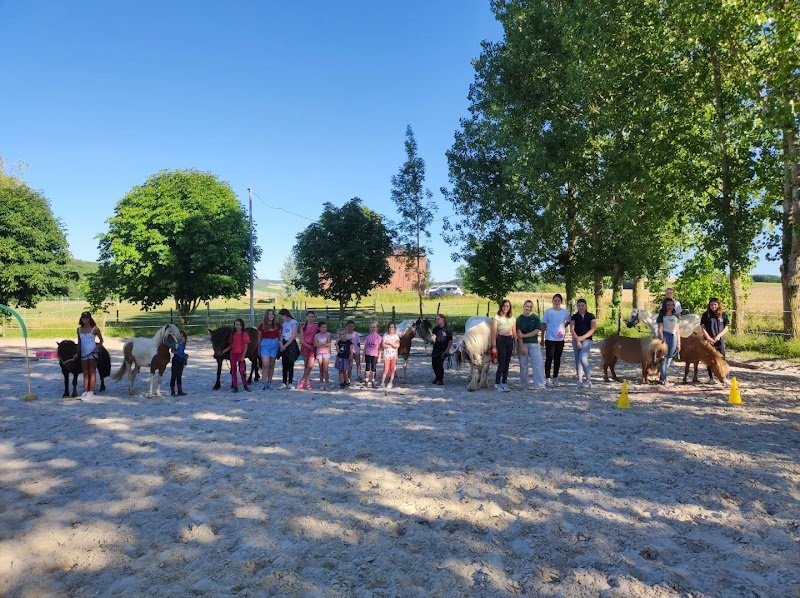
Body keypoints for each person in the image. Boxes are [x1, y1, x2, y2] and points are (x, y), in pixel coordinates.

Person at [540, 294, 570, 387]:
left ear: (561, 302)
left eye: (558, 300)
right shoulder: (548, 312)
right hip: (550, 338)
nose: (557, 302)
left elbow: (568, 321)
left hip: (560, 339)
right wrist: (542, 338)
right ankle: (547, 378)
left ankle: (555, 377)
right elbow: (544, 325)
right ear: (552, 301)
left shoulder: (565, 312)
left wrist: (562, 328)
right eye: (555, 300)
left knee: (557, 358)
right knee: (549, 358)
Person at [516, 300, 545, 390]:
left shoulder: (535, 318)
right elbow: (518, 333)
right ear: (524, 306)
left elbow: (536, 331)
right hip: (522, 344)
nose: (528, 308)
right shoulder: (519, 319)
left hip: (533, 343)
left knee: (538, 364)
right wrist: (521, 347)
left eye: (530, 306)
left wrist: (524, 335)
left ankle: (539, 385)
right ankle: (524, 385)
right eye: (527, 306)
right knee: (523, 365)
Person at [700, 298, 730, 383]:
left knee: (722, 358)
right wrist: (708, 337)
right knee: (710, 359)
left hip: (719, 340)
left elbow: (726, 327)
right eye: (711, 305)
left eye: (715, 304)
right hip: (709, 340)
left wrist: (719, 336)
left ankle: (725, 377)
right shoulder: (706, 315)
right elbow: (702, 327)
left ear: (718, 305)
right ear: (709, 305)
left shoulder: (723, 315)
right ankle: (711, 378)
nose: (713, 306)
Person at [570, 299, 597, 388]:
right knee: (577, 358)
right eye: (579, 306)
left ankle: (588, 380)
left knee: (583, 357)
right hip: (576, 339)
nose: (581, 307)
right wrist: (577, 340)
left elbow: (593, 329)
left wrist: (582, 338)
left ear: (585, 306)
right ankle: (580, 380)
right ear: (577, 307)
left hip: (587, 340)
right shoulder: (574, 316)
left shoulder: (591, 316)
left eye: (582, 305)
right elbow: (572, 329)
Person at [76, 311, 104, 398]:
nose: (85, 319)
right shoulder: (79, 329)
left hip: (92, 353)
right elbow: (79, 342)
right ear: (81, 318)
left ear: (90, 319)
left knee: (92, 372)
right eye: (83, 318)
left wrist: (97, 347)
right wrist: (76, 353)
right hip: (84, 353)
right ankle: (85, 390)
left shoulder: (95, 329)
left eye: (87, 318)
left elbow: (101, 340)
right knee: (85, 373)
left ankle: (91, 391)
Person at [491, 299, 516, 392]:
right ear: (501, 306)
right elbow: (493, 333)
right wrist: (494, 346)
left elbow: (514, 332)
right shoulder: (497, 317)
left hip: (509, 340)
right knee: (501, 363)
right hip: (501, 340)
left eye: (508, 306)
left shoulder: (512, 318)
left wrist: (515, 346)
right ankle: (497, 384)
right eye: (504, 306)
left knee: (507, 363)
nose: (506, 308)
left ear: (510, 308)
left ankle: (504, 383)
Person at [657, 298, 681, 385]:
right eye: (668, 305)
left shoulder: (675, 317)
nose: (670, 306)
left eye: (672, 305)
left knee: (669, 357)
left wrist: (679, 342)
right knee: (663, 358)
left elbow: (678, 330)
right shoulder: (661, 316)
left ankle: (662, 377)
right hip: (665, 335)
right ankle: (664, 379)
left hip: (674, 336)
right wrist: (661, 339)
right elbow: (660, 329)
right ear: (665, 305)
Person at [223, 318, 251, 392]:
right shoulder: (233, 334)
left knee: (242, 371)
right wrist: (223, 351)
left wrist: (243, 356)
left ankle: (245, 385)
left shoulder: (244, 334)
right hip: (233, 354)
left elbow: (246, 346)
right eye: (236, 324)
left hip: (240, 355)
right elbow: (231, 345)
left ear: (242, 326)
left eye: (239, 325)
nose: (238, 326)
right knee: (233, 371)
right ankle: (235, 386)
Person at [257, 309, 280, 390]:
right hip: (265, 345)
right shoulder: (262, 325)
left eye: (272, 314)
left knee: (271, 365)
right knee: (265, 364)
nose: (271, 316)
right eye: (269, 314)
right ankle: (263, 382)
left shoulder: (277, 325)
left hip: (274, 344)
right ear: (266, 315)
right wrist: (258, 348)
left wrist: (280, 346)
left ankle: (269, 382)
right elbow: (259, 338)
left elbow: (279, 336)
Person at [296, 311, 319, 391]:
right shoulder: (303, 327)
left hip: (314, 347)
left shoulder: (316, 326)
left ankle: (302, 380)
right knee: (306, 365)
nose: (311, 318)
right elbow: (301, 340)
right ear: (306, 317)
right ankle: (307, 381)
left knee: (310, 365)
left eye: (312, 316)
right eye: (309, 316)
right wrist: (309, 346)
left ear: (314, 318)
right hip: (306, 346)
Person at [278, 308, 299, 389]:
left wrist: (285, 345)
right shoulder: (284, 323)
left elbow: (293, 335)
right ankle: (284, 382)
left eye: (281, 316)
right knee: (284, 363)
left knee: (290, 364)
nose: (281, 318)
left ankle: (290, 382)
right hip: (284, 343)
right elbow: (282, 334)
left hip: (290, 344)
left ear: (285, 315)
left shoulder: (294, 323)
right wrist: (281, 343)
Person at [430, 314, 453, 385]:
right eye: (436, 319)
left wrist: (447, 349)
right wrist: (431, 341)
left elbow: (450, 340)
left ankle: (440, 379)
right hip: (436, 349)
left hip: (443, 350)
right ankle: (437, 377)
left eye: (438, 319)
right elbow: (432, 339)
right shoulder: (435, 329)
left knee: (439, 365)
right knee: (434, 364)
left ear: (443, 319)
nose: (437, 321)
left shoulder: (448, 330)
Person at [380, 322, 400, 389]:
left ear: (394, 328)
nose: (391, 328)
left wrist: (390, 343)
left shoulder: (396, 336)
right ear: (388, 328)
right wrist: (392, 345)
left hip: (393, 355)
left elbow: (397, 345)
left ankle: (390, 382)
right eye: (390, 327)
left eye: (392, 327)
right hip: (387, 355)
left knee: (392, 369)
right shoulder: (385, 335)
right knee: (385, 369)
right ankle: (382, 382)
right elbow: (383, 345)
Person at [314, 321, 332, 391]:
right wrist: (323, 344)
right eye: (323, 327)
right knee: (321, 369)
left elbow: (329, 344)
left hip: (326, 353)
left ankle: (327, 384)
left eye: (326, 327)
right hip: (319, 353)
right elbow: (315, 344)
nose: (325, 328)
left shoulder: (328, 334)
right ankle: (321, 384)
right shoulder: (317, 335)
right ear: (319, 328)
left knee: (326, 369)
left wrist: (320, 344)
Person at [170, 330, 188, 396]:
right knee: (174, 376)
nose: (182, 337)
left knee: (179, 376)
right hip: (176, 361)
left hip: (181, 361)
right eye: (180, 336)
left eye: (183, 336)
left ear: (185, 338)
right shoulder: (176, 344)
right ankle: (173, 392)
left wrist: (185, 355)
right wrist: (174, 351)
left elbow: (181, 352)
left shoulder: (183, 344)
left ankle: (180, 391)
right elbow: (172, 350)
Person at [363, 321, 381, 388]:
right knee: (367, 367)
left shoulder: (379, 337)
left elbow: (380, 348)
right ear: (370, 328)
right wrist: (362, 355)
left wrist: (379, 356)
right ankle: (366, 381)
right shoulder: (368, 337)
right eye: (372, 327)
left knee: (373, 368)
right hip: (368, 354)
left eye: (374, 327)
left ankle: (373, 381)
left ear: (377, 328)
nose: (373, 328)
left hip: (375, 354)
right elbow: (365, 346)